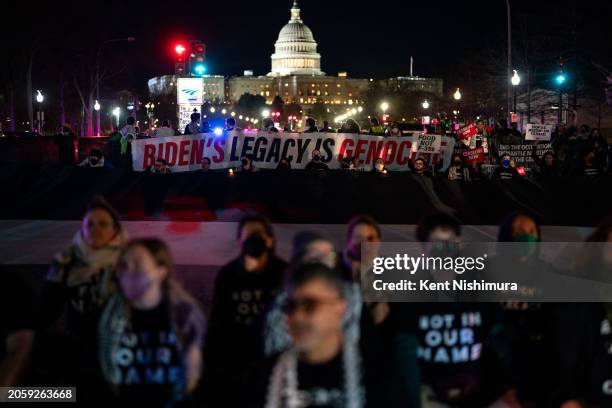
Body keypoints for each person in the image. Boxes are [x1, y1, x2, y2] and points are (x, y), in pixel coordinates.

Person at [391, 213, 514, 408]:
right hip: (430, 395)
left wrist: (499, 390)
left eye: (450, 242)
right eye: (437, 242)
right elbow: (404, 354)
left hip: (478, 393)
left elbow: (499, 342)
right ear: (424, 248)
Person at [253, 263, 389, 408]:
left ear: (340, 308)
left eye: (310, 305)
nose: (297, 316)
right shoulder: (264, 376)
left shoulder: (377, 374)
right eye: (291, 306)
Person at [99, 239, 206, 406]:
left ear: (161, 271)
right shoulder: (108, 318)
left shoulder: (186, 317)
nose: (129, 270)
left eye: (138, 263)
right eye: (124, 265)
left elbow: (200, 379)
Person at [39, 196, 127, 398]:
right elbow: (46, 313)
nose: (96, 229)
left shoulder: (131, 261)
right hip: (79, 354)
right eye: (90, 224)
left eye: (103, 224)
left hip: (121, 353)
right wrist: (56, 277)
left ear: (115, 229)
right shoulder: (68, 262)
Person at [204, 214, 287, 407]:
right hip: (239, 358)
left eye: (370, 239)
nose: (254, 239)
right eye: (249, 235)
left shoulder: (284, 272)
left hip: (272, 356)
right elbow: (219, 323)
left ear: (270, 239)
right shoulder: (228, 275)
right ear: (239, 240)